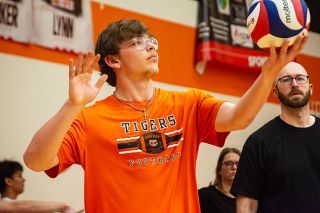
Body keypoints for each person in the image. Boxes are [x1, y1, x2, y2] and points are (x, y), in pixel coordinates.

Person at [23, 19, 307, 212]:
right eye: (137, 42)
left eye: (152, 40)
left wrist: (268, 74)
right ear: (113, 60)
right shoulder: (89, 119)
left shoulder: (187, 102)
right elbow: (35, 161)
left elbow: (238, 118)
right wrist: (72, 106)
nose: (151, 46)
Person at [230, 62, 320, 212]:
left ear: (310, 88)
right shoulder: (258, 143)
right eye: (286, 80)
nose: (295, 84)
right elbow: (247, 205)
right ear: (275, 92)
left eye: (300, 78)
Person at [0, 160, 77, 212]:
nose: (24, 180)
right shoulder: (8, 207)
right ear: (8, 181)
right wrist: (63, 207)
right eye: (19, 176)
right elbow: (16, 206)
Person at [198, 147, 240, 213]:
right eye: (228, 163)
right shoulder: (205, 194)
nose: (234, 167)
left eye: (238, 164)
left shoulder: (246, 198)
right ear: (219, 170)